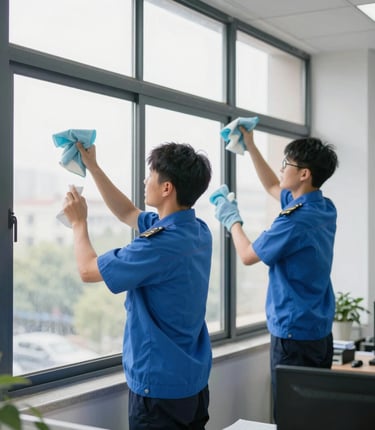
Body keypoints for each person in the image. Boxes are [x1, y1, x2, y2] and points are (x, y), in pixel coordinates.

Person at [63, 141, 213, 430]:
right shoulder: (197, 231)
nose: (145, 181)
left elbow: (87, 270)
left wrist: (78, 223)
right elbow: (128, 213)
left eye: (151, 175)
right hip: (192, 383)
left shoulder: (160, 246)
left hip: (159, 392)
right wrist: (93, 167)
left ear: (167, 187)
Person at [210, 128, 339, 421]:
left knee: (291, 418)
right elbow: (272, 185)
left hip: (293, 337)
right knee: (316, 418)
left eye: (286, 164)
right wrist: (252, 146)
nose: (281, 169)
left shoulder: (294, 222)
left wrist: (232, 219)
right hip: (318, 332)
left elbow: (247, 255)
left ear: (304, 174)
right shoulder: (323, 207)